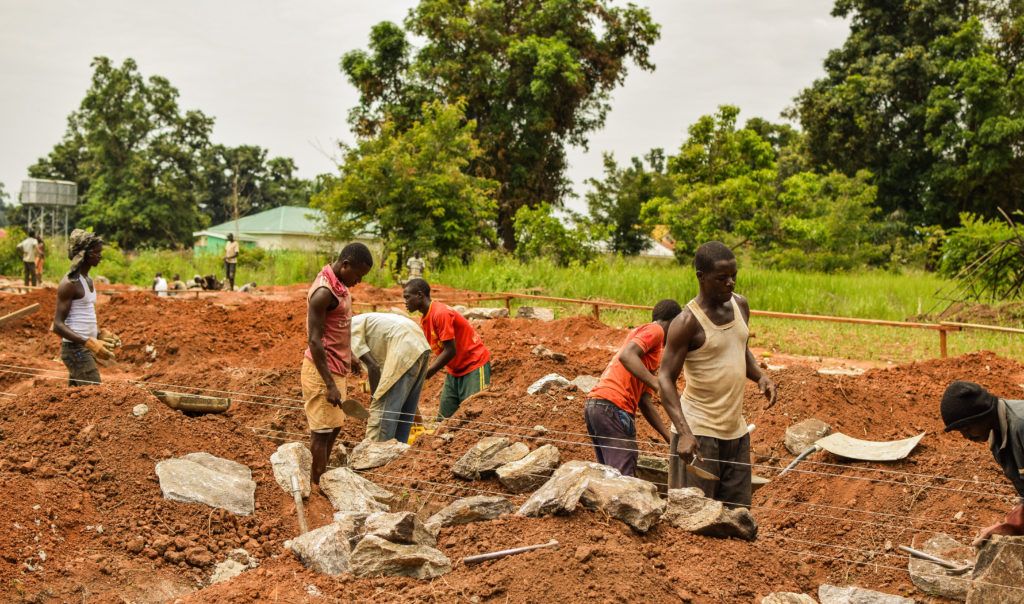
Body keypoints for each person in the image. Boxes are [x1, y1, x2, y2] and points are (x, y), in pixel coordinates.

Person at [658, 241, 776, 509]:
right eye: (722, 278)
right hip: (698, 434)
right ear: (701, 277)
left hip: (735, 433)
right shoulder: (687, 322)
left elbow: (739, 348)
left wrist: (760, 376)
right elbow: (664, 378)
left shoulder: (740, 306)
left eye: (734, 275)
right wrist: (685, 433)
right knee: (693, 517)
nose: (730, 283)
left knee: (738, 516)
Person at [303, 243, 374, 488]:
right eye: (358, 275)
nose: (358, 281)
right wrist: (330, 384)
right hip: (322, 371)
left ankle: (321, 479)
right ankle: (316, 485)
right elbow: (314, 340)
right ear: (345, 265)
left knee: (333, 428)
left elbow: (337, 327)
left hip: (338, 366)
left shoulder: (340, 285)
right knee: (321, 431)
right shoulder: (324, 293)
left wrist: (351, 354)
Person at [585, 299, 681, 476]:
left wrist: (669, 438)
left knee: (611, 476)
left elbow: (645, 401)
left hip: (598, 406)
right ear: (674, 322)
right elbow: (627, 356)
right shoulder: (656, 330)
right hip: (613, 407)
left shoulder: (650, 352)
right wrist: (658, 384)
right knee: (623, 481)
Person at [941, 381, 1024, 544]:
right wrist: (1009, 526)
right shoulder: (996, 436)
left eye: (966, 428)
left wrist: (1014, 524)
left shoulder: (1021, 426)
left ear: (981, 415)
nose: (966, 437)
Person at [403, 278, 491, 419]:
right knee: (443, 420)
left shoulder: (440, 313)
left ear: (420, 295)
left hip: (474, 364)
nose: (405, 302)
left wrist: (426, 373)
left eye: (407, 297)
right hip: (454, 370)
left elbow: (450, 350)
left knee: (474, 416)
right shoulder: (425, 319)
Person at [52, 230, 120, 386]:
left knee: (77, 399)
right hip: (75, 350)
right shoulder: (70, 284)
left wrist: (98, 333)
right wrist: (89, 342)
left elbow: (82, 316)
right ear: (85, 254)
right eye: (97, 252)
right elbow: (57, 325)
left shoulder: (87, 280)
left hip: (82, 348)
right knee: (95, 394)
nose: (100, 256)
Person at [350, 312, 431, 443]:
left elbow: (373, 367)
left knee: (381, 416)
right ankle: (398, 456)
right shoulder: (362, 324)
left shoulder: (345, 332)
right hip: (419, 343)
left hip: (403, 344)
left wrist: (375, 401)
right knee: (405, 412)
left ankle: (375, 455)